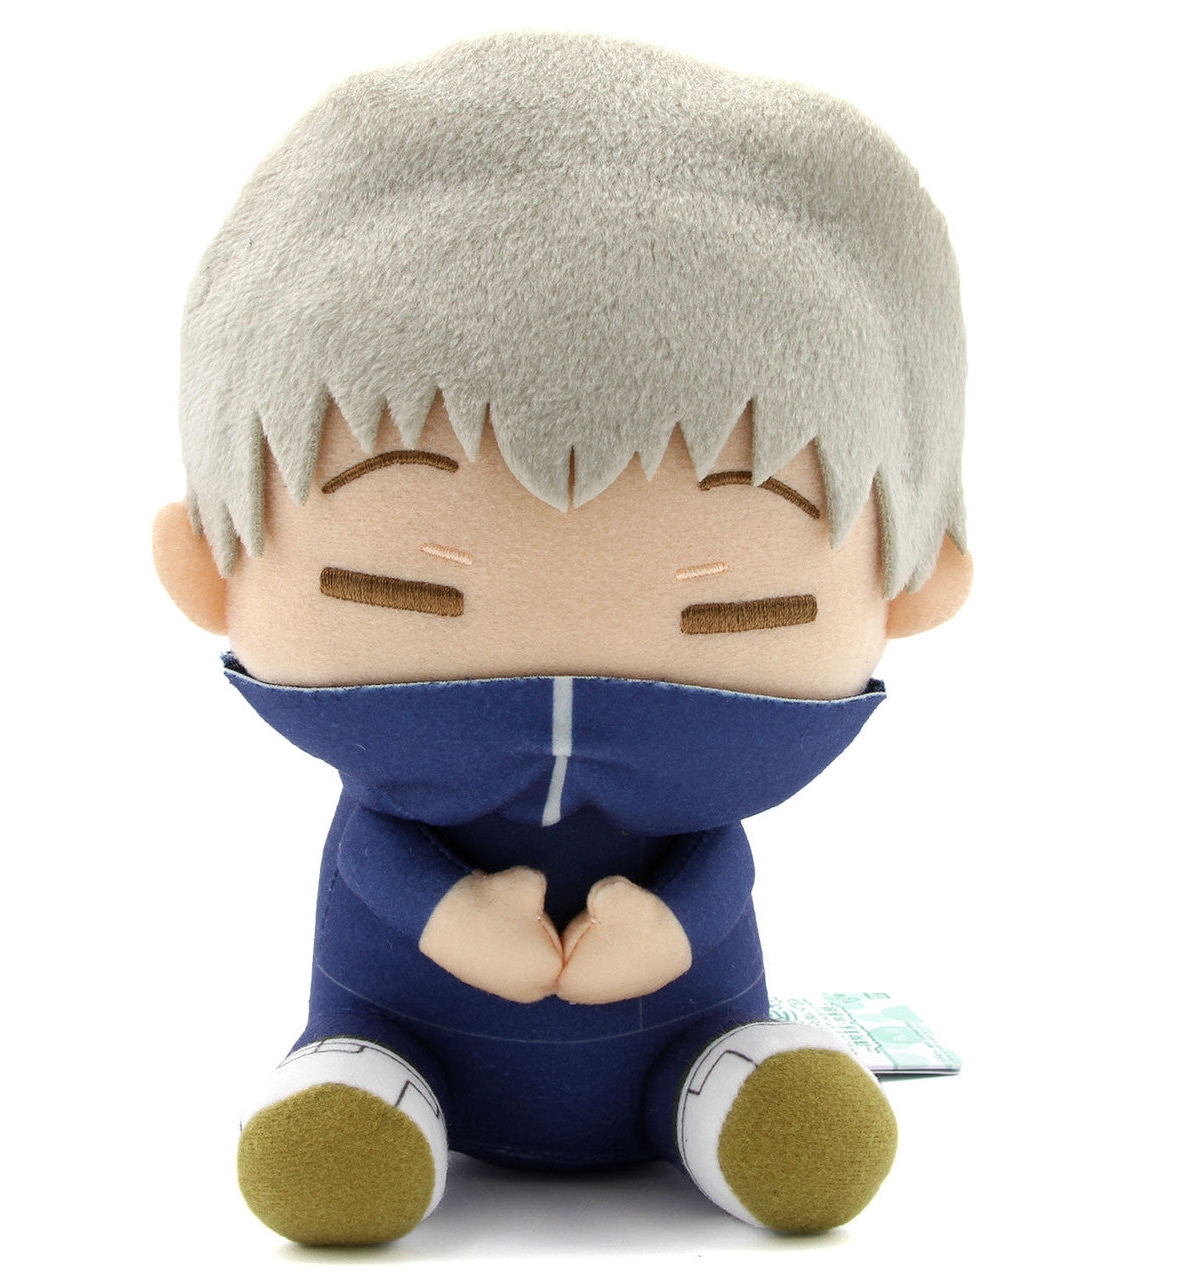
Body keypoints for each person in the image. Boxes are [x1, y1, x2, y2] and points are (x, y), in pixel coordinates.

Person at [154, 30, 972, 1246]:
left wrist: (667, 929)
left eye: (732, 608)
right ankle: (364, 1085)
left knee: (771, 1104)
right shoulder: (401, 803)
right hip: (408, 1019)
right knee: (354, 1093)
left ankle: (727, 1083)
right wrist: (449, 918)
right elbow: (378, 852)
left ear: (916, 582)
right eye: (401, 588)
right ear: (206, 564)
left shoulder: (692, 809)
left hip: (677, 1020)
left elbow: (713, 862)